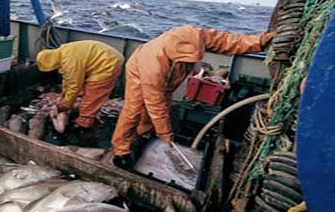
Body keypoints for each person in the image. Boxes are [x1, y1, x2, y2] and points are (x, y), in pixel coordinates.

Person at [111, 25, 275, 169]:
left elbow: (226, 41)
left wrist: (259, 42)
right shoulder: (152, 65)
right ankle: (121, 149)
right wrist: (165, 132)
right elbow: (155, 102)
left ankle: (144, 133)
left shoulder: (197, 36)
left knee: (164, 106)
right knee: (134, 109)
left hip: (171, 75)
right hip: (139, 72)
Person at [36, 40, 124, 137]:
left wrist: (64, 106)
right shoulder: (63, 52)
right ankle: (83, 119)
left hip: (108, 64)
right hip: (105, 57)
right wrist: (63, 97)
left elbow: (74, 86)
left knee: (92, 97)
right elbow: (68, 80)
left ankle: (83, 127)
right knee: (82, 93)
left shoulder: (70, 62)